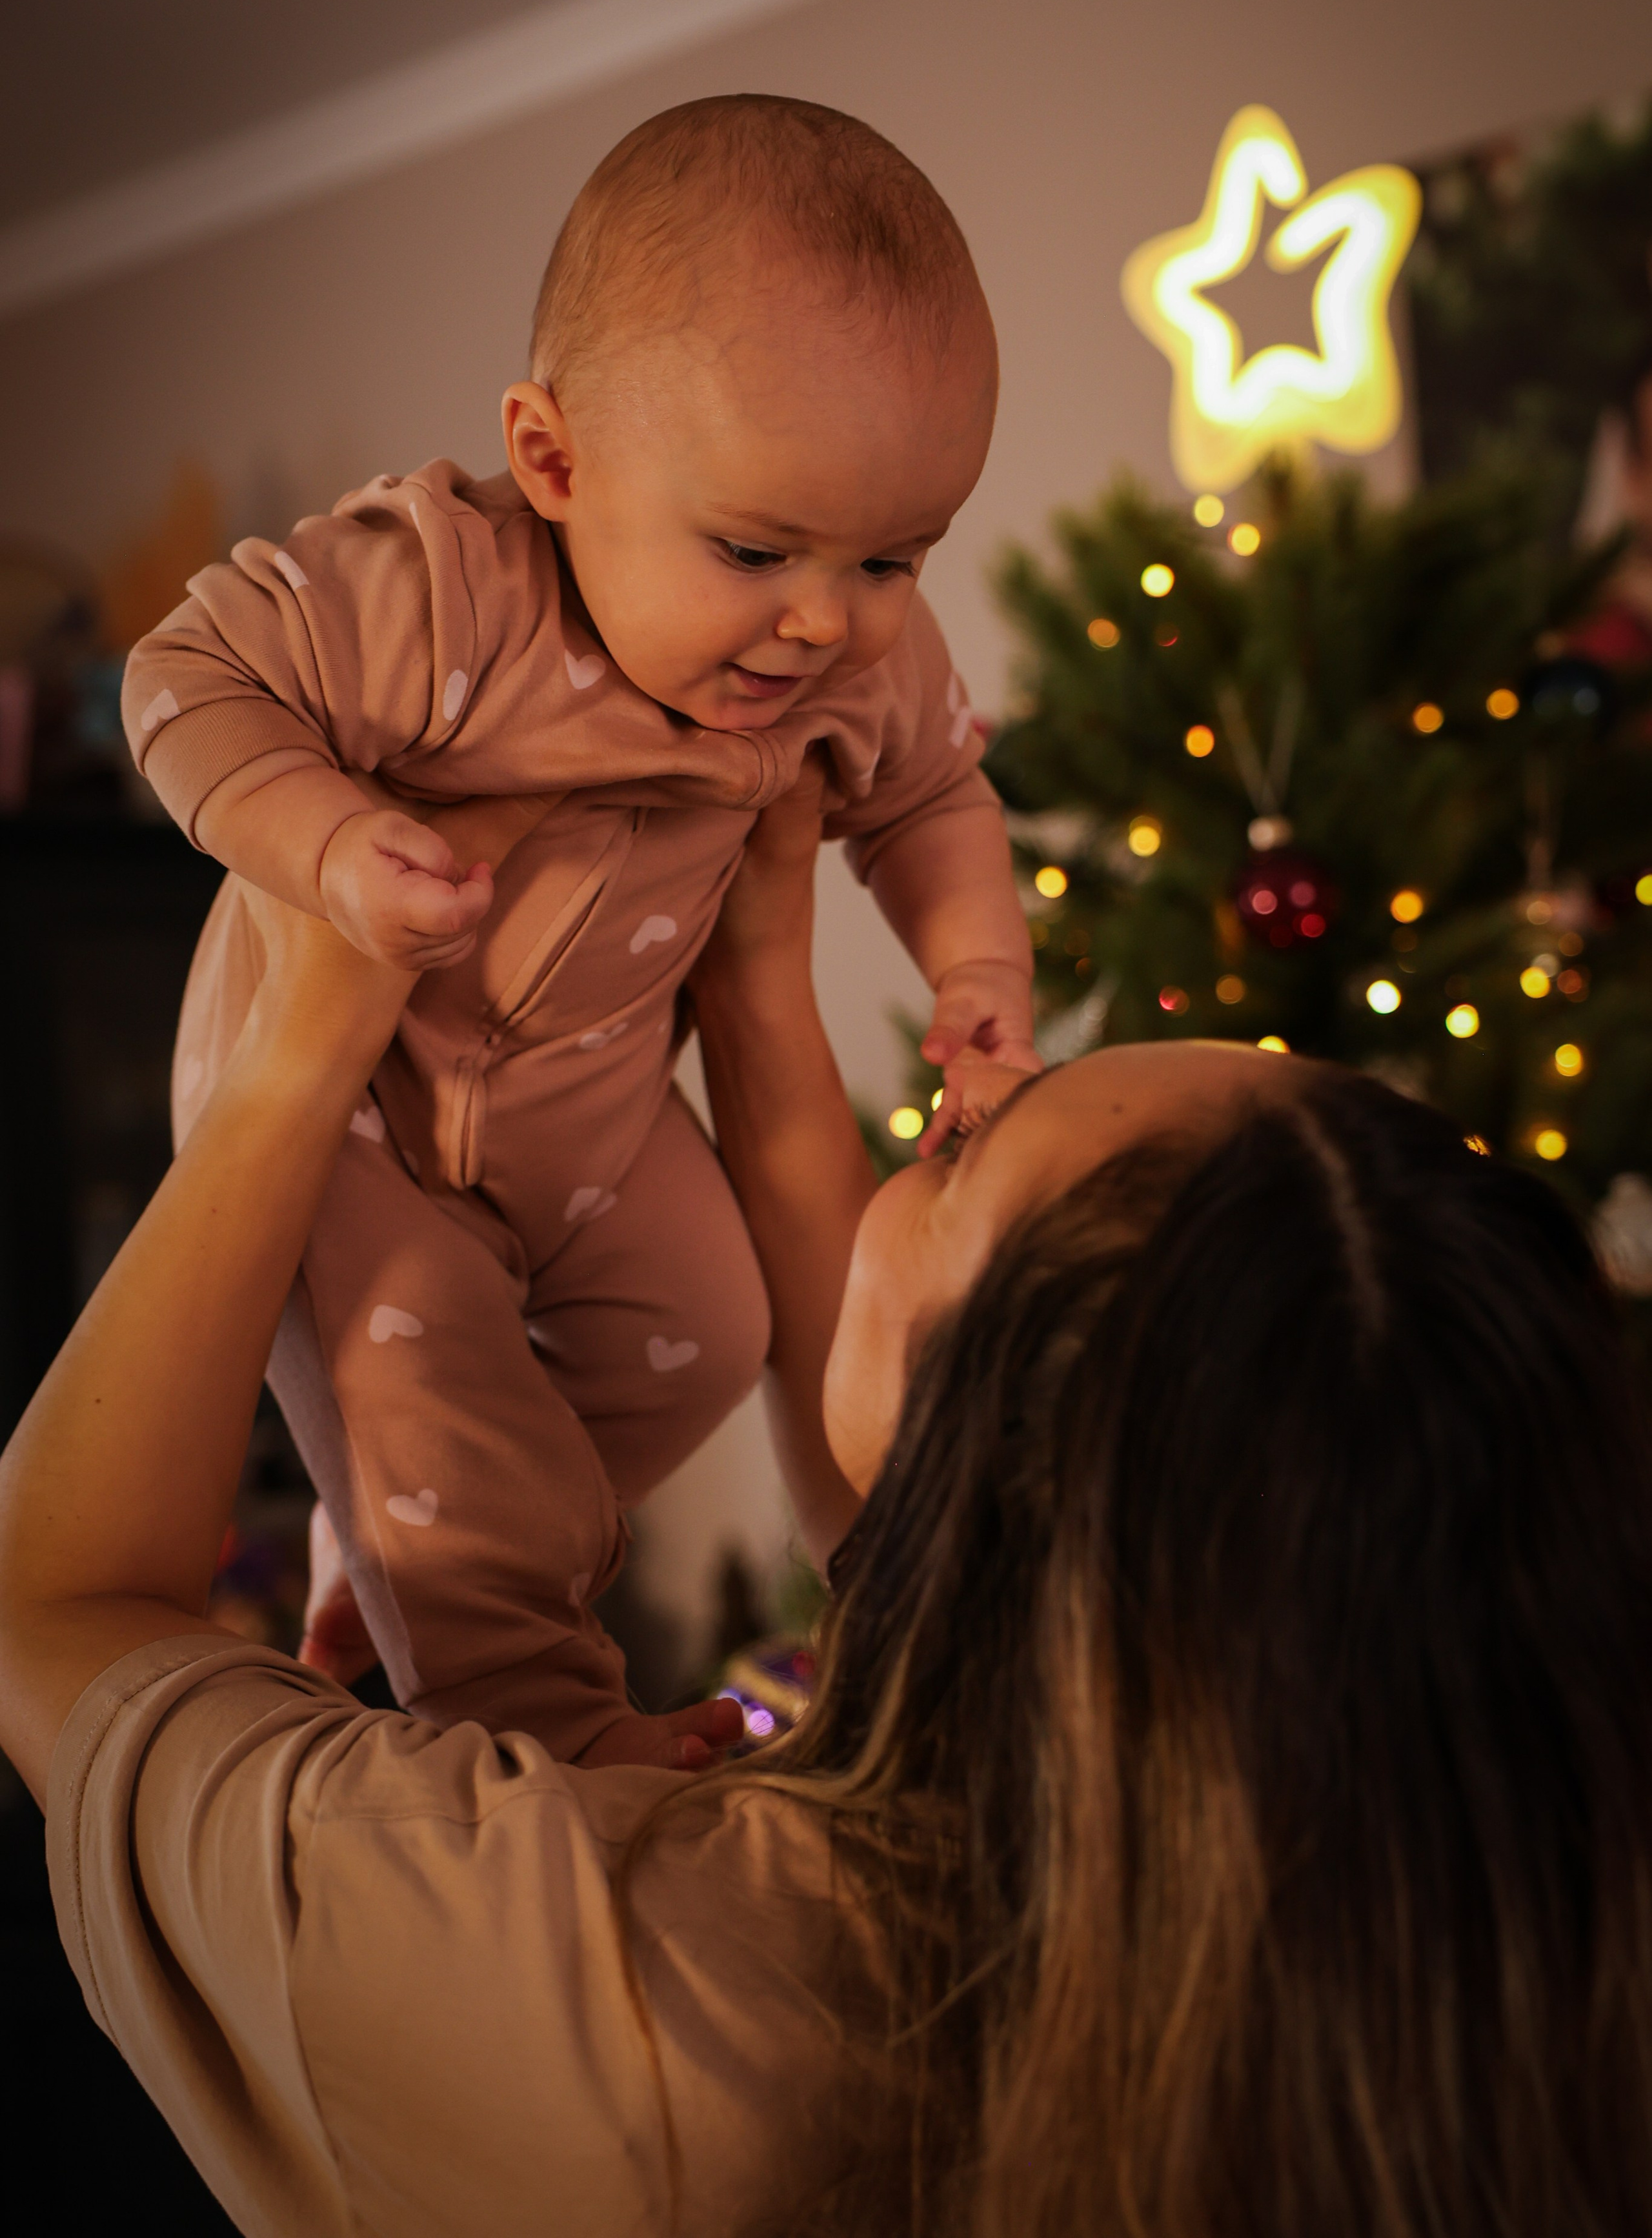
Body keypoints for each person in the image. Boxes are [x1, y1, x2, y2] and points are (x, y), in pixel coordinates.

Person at [3, 785, 1652, 2238]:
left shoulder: (618, 1997)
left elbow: (52, 1612)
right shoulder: (1516, 1941)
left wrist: (291, 1065)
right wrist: (756, 973)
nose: (946, 1101)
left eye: (952, 1158)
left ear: (1000, 1499)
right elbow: (881, 1460)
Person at [117, 94, 1036, 1769]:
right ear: (553, 461)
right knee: (431, 1400)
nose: (828, 620)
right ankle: (545, 1723)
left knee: (719, 1328)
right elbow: (184, 681)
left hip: (595, 1109)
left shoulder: (851, 664)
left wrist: (974, 975)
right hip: (356, 1110)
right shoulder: (438, 596)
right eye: (755, 548)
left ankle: (393, 1546)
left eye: (898, 559)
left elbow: (935, 809)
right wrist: (327, 848)